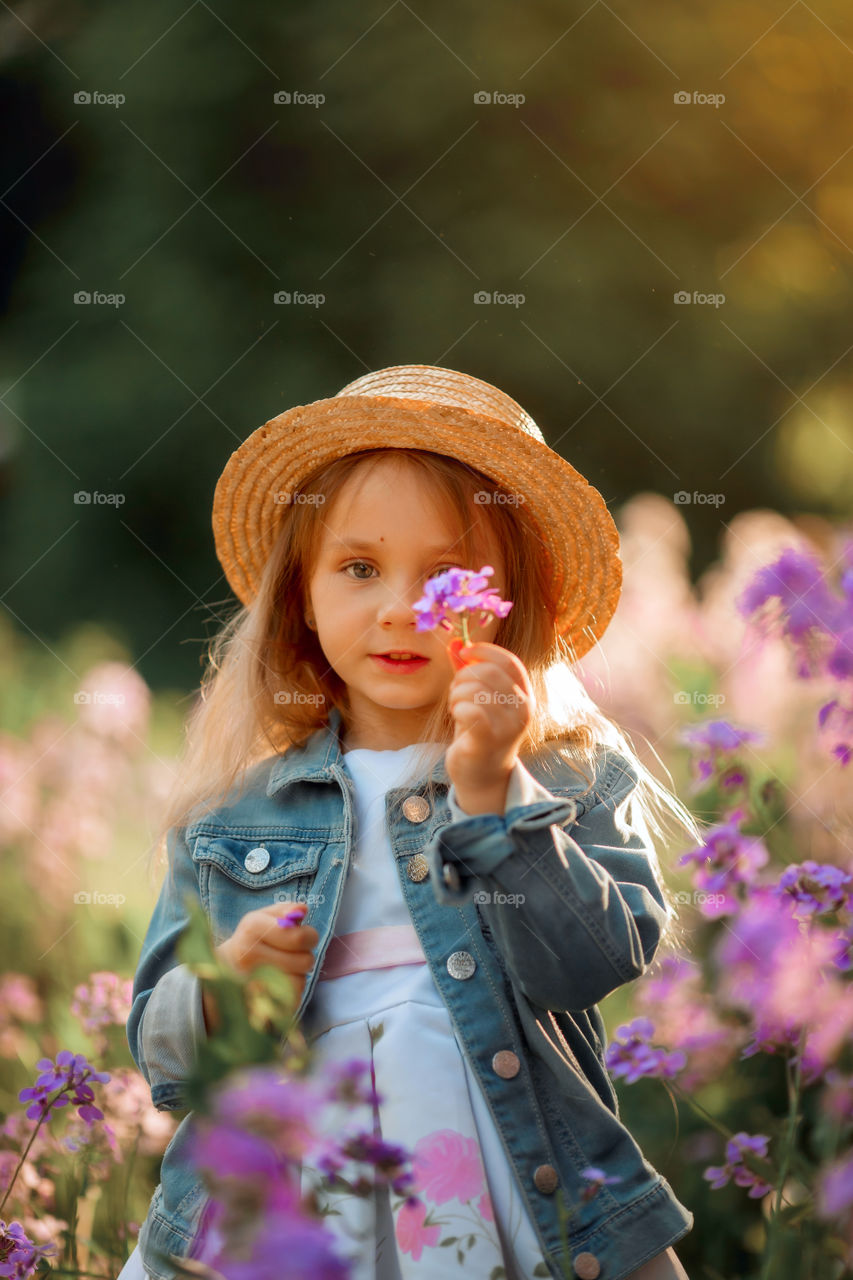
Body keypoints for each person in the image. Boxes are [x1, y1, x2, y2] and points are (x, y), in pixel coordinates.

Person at [118, 365, 700, 1280]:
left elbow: (592, 962)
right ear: (302, 598)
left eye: (446, 577)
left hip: (512, 1181)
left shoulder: (560, 775)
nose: (399, 607)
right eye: (358, 568)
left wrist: (494, 796)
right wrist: (222, 988)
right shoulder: (237, 811)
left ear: (512, 603)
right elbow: (167, 1056)